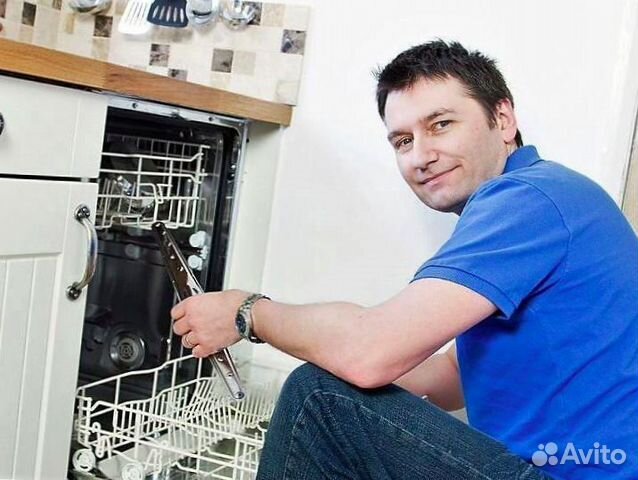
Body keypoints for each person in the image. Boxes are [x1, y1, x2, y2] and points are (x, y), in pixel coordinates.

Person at [170, 40, 638, 479]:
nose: (421, 156)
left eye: (440, 125)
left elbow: (369, 353)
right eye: (402, 141)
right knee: (335, 384)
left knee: (318, 398)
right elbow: (454, 374)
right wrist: (340, 360)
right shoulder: (547, 197)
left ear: (503, 118)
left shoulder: (528, 200)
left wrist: (246, 313)